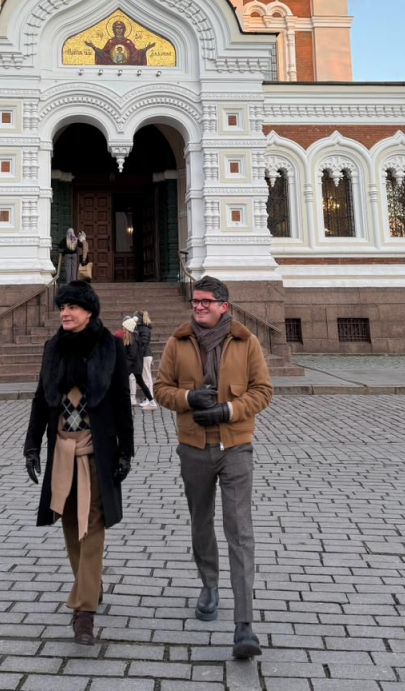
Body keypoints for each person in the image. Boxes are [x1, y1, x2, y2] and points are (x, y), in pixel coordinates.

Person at [154, 276, 273, 659]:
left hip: (236, 447)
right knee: (200, 521)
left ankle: (244, 625)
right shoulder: (178, 341)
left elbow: (263, 391)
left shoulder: (246, 341)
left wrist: (229, 410)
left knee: (239, 530)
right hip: (194, 447)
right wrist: (189, 398)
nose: (198, 306)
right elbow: (161, 389)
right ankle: (209, 584)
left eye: (206, 301)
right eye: (195, 301)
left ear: (224, 306)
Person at [24, 281, 134, 646]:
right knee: (69, 520)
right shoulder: (52, 347)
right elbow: (42, 398)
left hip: (94, 451)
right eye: (62, 307)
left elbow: (121, 400)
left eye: (73, 307)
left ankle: (83, 611)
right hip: (62, 450)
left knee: (92, 525)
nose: (65, 313)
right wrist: (31, 447)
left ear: (90, 312)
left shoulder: (111, 347)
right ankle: (91, 583)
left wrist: (125, 451)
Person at [118, 316, 156, 410]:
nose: (122, 328)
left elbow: (132, 355)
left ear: (127, 328)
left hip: (133, 365)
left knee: (121, 381)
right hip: (134, 365)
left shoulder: (133, 338)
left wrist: (125, 365)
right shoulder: (131, 336)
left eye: (124, 326)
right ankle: (151, 401)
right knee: (140, 382)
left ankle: (151, 402)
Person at [131, 310, 157, 409]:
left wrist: (138, 355)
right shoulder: (142, 328)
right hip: (145, 354)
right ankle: (149, 399)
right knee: (145, 377)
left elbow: (144, 343)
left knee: (146, 377)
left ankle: (150, 399)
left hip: (144, 355)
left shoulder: (143, 329)